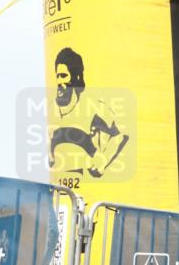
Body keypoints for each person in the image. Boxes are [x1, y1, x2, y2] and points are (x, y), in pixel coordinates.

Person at [50, 47, 129, 178]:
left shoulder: (94, 107)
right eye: (57, 76)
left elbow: (119, 136)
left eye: (64, 76)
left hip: (90, 184)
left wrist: (103, 160)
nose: (59, 82)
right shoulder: (51, 108)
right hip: (62, 187)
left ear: (76, 78)